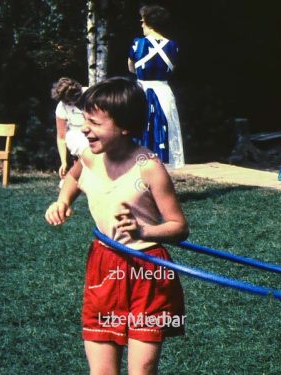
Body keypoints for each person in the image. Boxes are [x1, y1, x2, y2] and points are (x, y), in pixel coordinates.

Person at [45, 77, 189, 374]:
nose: (85, 129)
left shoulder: (148, 167)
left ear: (124, 126)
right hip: (104, 265)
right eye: (85, 120)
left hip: (147, 269)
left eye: (95, 123)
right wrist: (62, 201)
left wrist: (143, 231)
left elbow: (178, 226)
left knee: (142, 369)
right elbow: (72, 178)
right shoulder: (88, 158)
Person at [128, 5, 185, 169]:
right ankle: (161, 170)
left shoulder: (137, 44)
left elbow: (131, 68)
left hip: (141, 91)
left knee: (140, 129)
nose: (141, 24)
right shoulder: (173, 46)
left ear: (148, 22)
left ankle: (140, 171)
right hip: (163, 92)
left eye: (142, 21)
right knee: (164, 131)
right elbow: (172, 68)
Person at [50, 77, 89, 180]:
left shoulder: (91, 93)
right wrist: (64, 162)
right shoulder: (61, 107)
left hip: (95, 129)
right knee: (82, 145)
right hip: (76, 134)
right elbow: (61, 138)